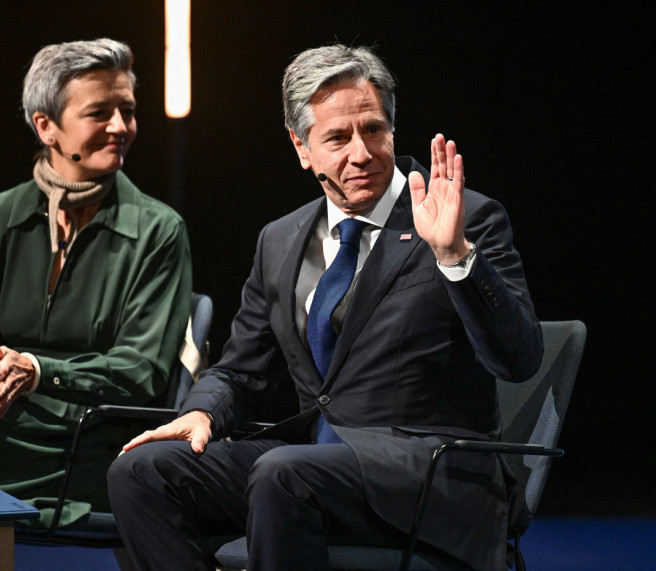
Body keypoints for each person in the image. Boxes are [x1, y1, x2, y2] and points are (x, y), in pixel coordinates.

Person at [107, 43, 541, 570]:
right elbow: (243, 370)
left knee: (283, 474)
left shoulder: (464, 219)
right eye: (337, 137)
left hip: (429, 473)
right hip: (314, 463)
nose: (361, 153)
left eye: (374, 130)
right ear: (301, 147)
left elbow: (517, 359)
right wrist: (202, 409)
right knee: (139, 472)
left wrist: (455, 256)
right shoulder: (281, 240)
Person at [0, 38, 192, 527]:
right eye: (99, 113)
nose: (120, 126)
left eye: (127, 111)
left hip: (84, 439)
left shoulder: (159, 230)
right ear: (45, 126)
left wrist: (36, 370)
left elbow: (141, 372)